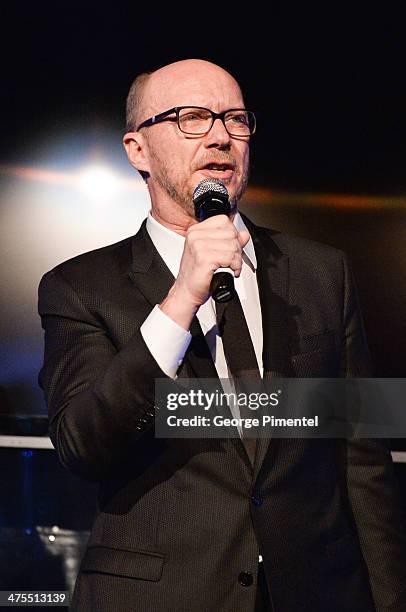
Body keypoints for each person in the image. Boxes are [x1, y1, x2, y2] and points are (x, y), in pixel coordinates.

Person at [38, 59, 406, 612]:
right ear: (137, 149)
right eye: (191, 118)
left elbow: (363, 460)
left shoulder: (322, 272)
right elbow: (83, 445)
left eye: (235, 119)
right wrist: (181, 298)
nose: (219, 136)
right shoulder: (79, 287)